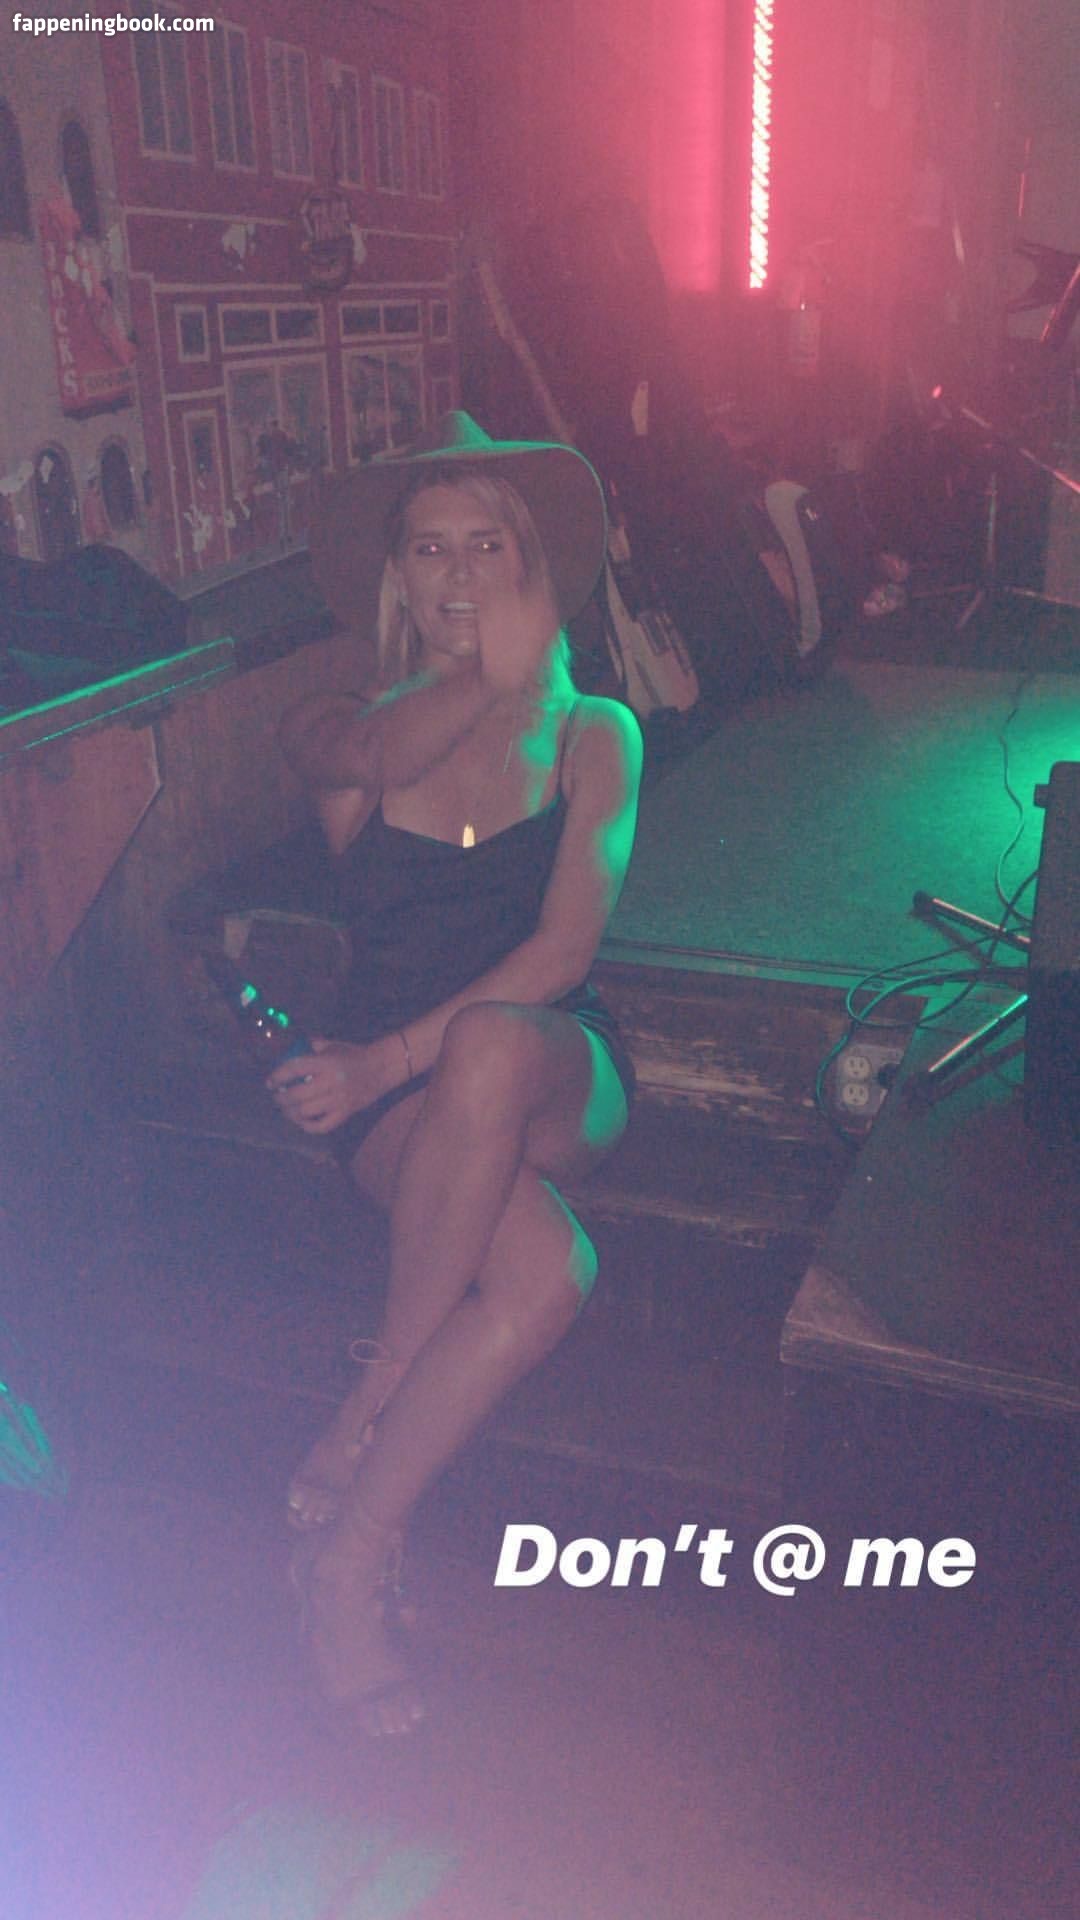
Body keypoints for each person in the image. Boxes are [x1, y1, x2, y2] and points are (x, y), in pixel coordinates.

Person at [272, 412, 642, 1735]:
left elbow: (562, 950)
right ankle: (349, 1564)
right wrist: (492, 671)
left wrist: (385, 1057)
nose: (460, 572)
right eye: (431, 548)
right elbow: (374, 755)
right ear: (397, 577)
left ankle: (368, 1404)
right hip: (391, 1098)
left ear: (535, 566)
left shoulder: (597, 731)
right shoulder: (338, 727)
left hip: (552, 1061)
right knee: (550, 1273)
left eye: (490, 545)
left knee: (489, 1041)